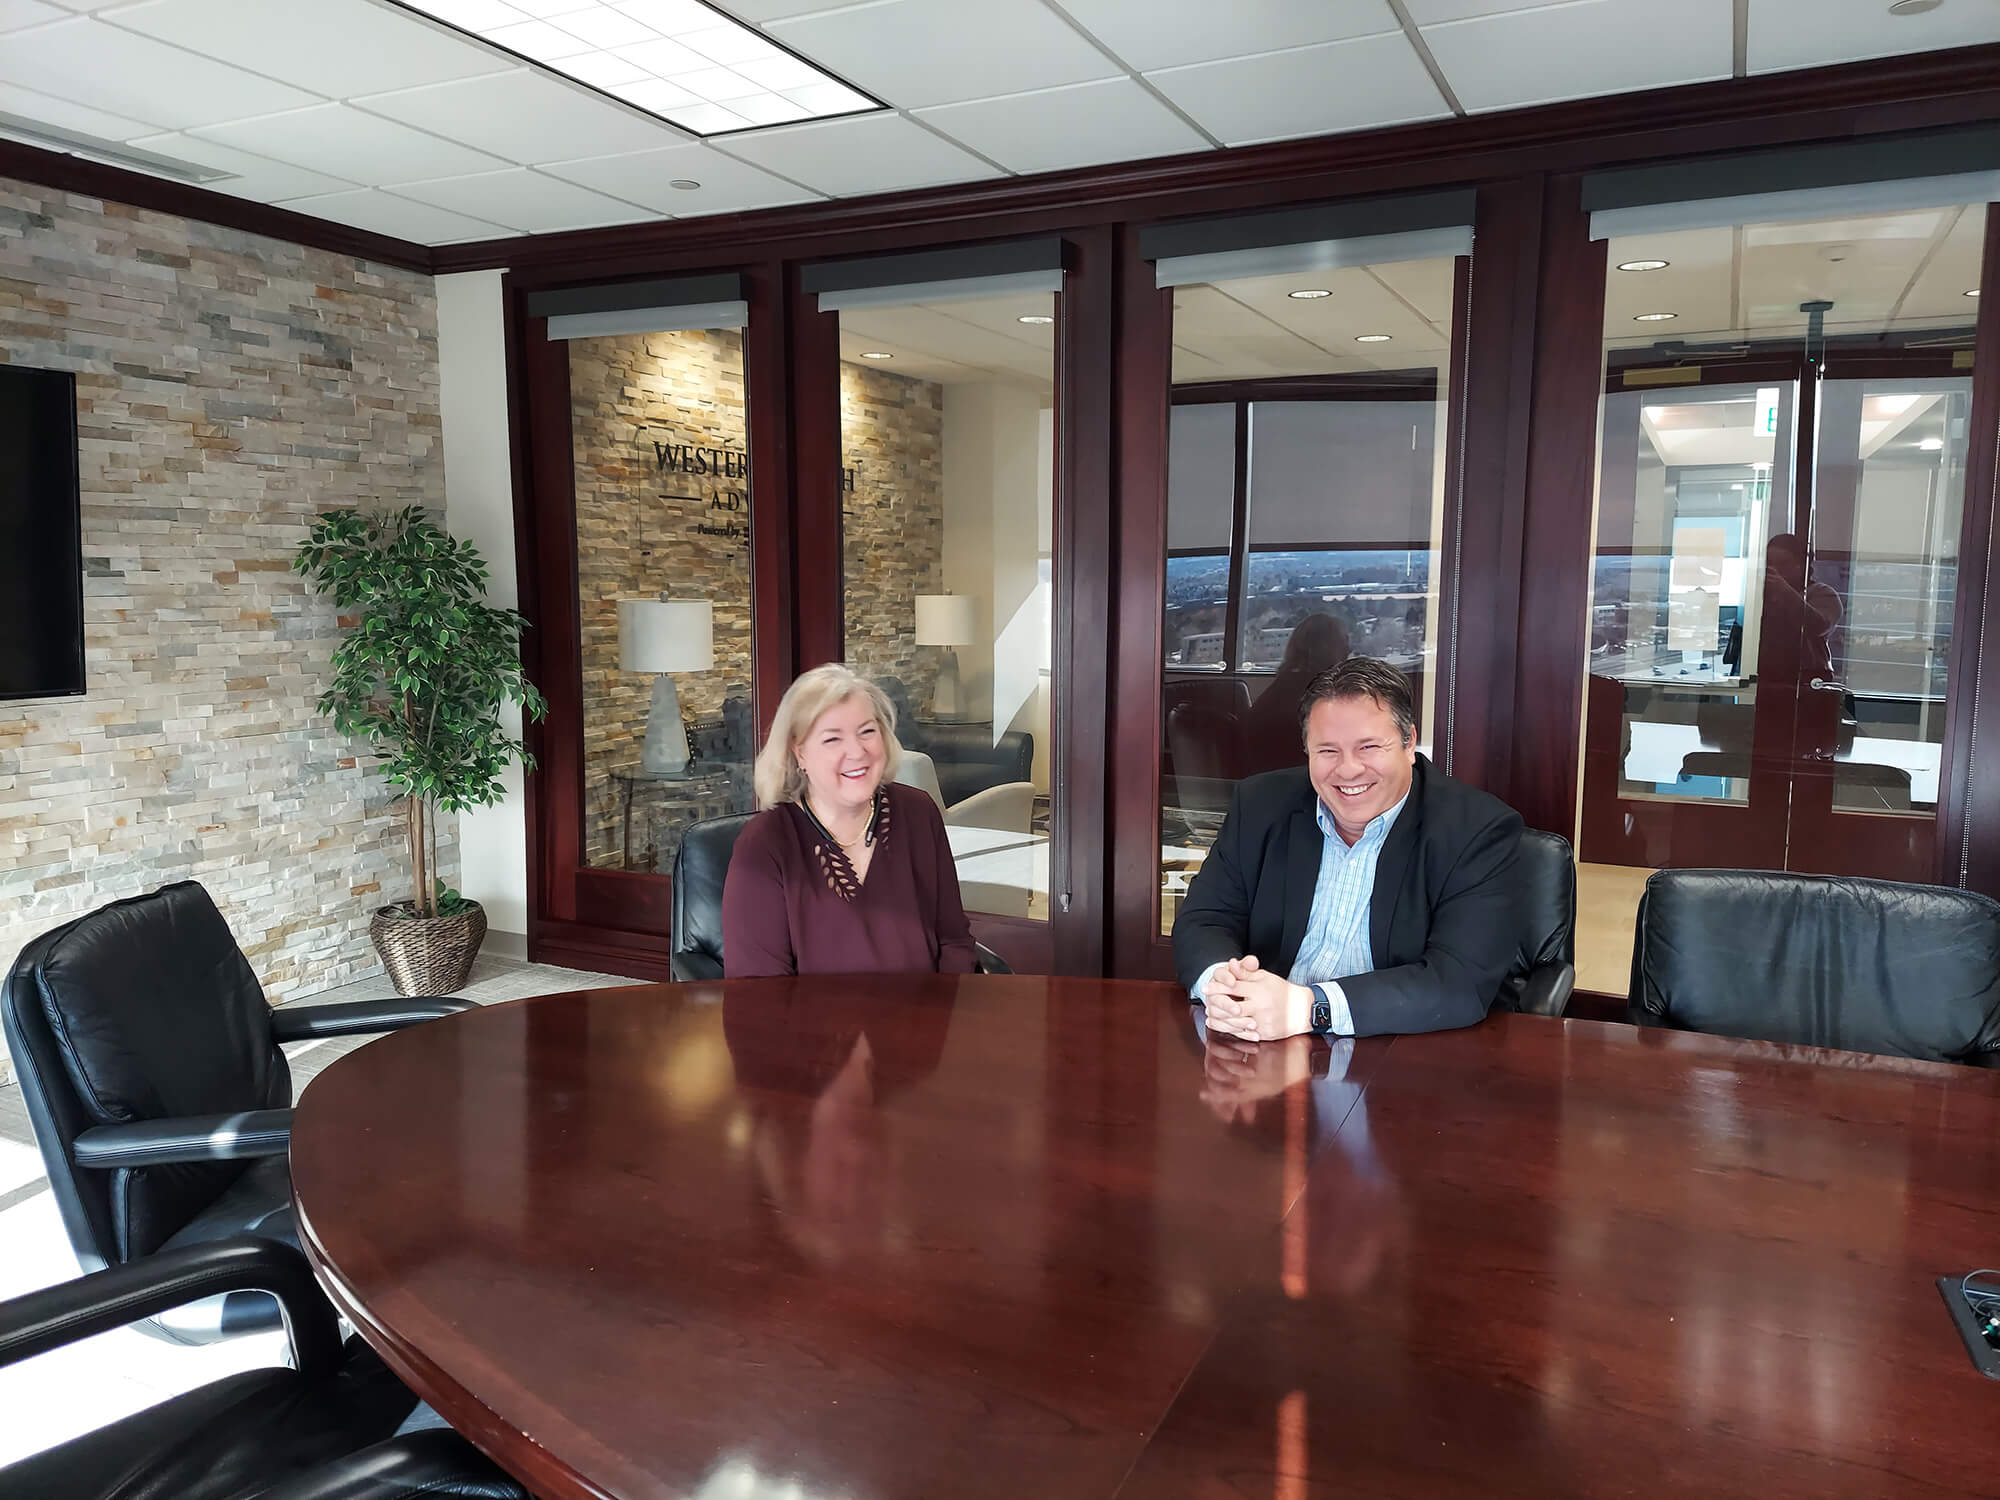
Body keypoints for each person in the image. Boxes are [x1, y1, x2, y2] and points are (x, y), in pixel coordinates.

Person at [1172, 656, 1522, 1039]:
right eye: (1327, 751)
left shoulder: (1477, 829)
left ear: (1409, 744)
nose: (1348, 769)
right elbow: (1204, 920)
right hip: (1261, 1044)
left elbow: (1458, 982)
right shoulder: (1261, 805)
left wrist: (1310, 1008)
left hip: (1410, 1057)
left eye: (1369, 747)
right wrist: (1224, 988)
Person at [722, 663, 976, 977]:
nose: (857, 752)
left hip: (925, 1019)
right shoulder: (764, 844)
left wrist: (942, 1017)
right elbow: (757, 992)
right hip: (812, 1026)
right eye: (832, 739)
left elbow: (954, 940)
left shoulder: (918, 811)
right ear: (799, 753)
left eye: (867, 731)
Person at [1240, 611, 1352, 776]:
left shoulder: (1283, 686)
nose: (1349, 649)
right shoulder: (1319, 696)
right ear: (1330, 649)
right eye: (1344, 643)